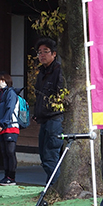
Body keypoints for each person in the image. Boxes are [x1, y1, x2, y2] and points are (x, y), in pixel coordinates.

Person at [32, 37, 67, 183]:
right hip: (44, 119)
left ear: (54, 54)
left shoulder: (59, 71)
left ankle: (53, 186)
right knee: (44, 155)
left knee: (50, 155)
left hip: (56, 118)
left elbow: (62, 95)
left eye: (45, 51)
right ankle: (52, 185)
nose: (42, 55)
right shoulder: (41, 72)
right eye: (39, 52)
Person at [0, 73, 19, 186]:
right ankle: (6, 176)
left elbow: (10, 109)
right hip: (1, 127)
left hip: (11, 126)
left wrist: (3, 123)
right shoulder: (0, 94)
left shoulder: (11, 93)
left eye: (2, 80)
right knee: (4, 152)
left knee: (10, 152)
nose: (0, 82)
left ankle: (11, 177)